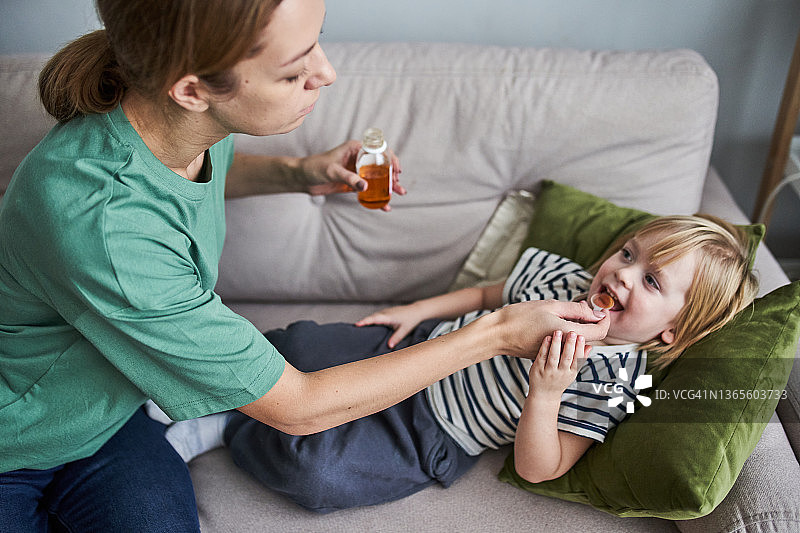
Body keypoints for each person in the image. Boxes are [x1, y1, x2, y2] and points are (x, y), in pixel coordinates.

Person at [0, 1, 609, 531]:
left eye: (315, 43)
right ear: (191, 89)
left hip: (111, 418)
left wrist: (302, 173)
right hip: (19, 440)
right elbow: (297, 406)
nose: (327, 72)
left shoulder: (183, 127)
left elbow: (189, 179)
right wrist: (498, 333)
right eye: (296, 72)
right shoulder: (103, 225)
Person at [163, 214, 758, 513]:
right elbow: (484, 297)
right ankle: (200, 385)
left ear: (672, 330)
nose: (621, 273)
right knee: (298, 346)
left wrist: (547, 392)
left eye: (650, 279)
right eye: (628, 253)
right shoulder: (563, 280)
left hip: (429, 436)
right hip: (415, 349)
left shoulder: (613, 382)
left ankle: (227, 426)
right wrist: (415, 309)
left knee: (318, 476)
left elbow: (540, 468)